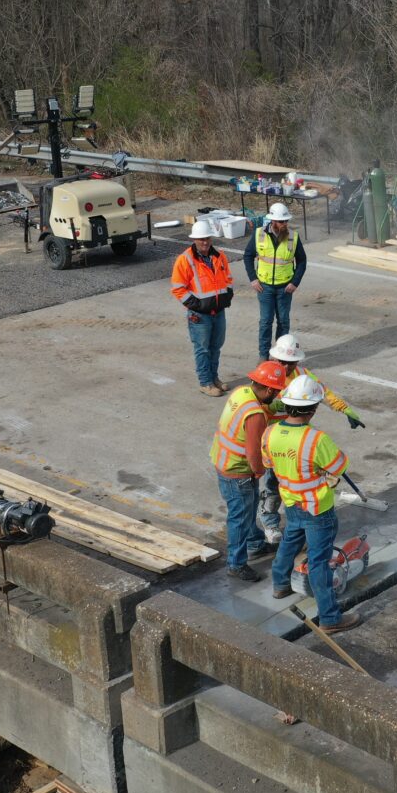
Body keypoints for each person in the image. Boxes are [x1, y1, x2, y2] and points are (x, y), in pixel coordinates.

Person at [264, 375, 362, 632]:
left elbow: (267, 464)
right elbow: (340, 465)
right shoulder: (317, 439)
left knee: (289, 542)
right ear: (314, 408)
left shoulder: (270, 432)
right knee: (319, 562)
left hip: (292, 504)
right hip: (318, 509)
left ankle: (280, 584)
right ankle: (330, 618)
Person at [210, 361, 288, 581]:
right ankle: (236, 563)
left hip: (222, 461)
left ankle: (255, 542)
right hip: (238, 471)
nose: (277, 395)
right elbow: (253, 452)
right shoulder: (255, 414)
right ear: (270, 389)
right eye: (277, 392)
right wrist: (259, 471)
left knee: (248, 509)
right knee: (240, 518)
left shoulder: (241, 392)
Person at [171, 219, 234, 396]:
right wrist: (197, 306)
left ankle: (214, 379)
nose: (205, 242)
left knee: (216, 346)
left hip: (218, 311)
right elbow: (177, 288)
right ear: (194, 240)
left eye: (207, 238)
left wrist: (226, 297)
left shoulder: (219, 256)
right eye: (201, 239)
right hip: (200, 315)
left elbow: (228, 278)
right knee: (202, 348)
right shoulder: (185, 260)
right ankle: (205, 382)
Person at [243, 202, 307, 362]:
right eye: (281, 221)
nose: (284, 224)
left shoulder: (293, 236)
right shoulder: (259, 234)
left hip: (285, 288)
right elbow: (248, 255)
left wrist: (295, 282)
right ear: (273, 221)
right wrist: (253, 278)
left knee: (283, 322)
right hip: (264, 287)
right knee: (265, 322)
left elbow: (302, 261)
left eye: (286, 221)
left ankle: (282, 356)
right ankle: (263, 356)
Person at [268, 334, 364, 428]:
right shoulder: (264, 374)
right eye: (283, 362)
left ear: (297, 361)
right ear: (274, 358)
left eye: (291, 363)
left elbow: (324, 392)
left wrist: (344, 409)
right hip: (269, 428)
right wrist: (270, 407)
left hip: (295, 425)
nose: (286, 367)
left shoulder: (302, 374)